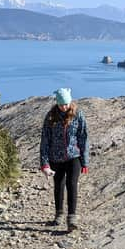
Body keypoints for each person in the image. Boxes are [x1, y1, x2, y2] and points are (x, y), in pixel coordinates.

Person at [39, 87, 89, 231]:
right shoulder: (50, 116)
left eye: (66, 103)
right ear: (57, 103)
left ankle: (72, 217)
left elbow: (83, 138)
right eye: (61, 104)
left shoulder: (78, 114)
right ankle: (59, 214)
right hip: (56, 158)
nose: (64, 107)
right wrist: (45, 164)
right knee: (59, 184)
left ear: (70, 101)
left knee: (72, 184)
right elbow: (45, 141)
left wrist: (84, 161)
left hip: (74, 157)